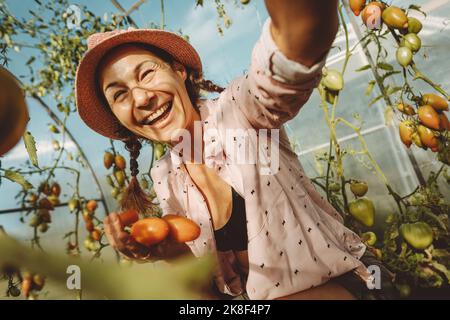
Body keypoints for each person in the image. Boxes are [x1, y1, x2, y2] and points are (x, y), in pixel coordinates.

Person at [76, 1, 396, 300]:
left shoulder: (238, 111)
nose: (141, 98)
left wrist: (301, 21)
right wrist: (167, 255)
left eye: (146, 73)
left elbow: (288, 62)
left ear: (179, 70)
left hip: (347, 286)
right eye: (119, 95)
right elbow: (209, 294)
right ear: (118, 117)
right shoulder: (164, 176)